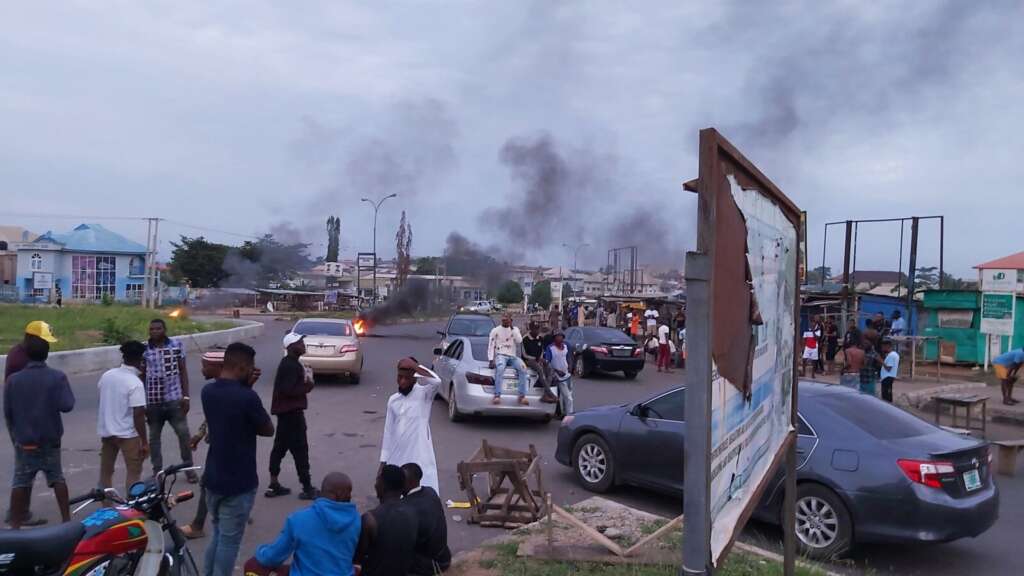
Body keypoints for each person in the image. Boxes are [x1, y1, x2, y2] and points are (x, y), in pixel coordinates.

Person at [201, 342, 274, 576]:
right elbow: (267, 429)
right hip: (239, 482)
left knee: (218, 534)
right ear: (242, 367)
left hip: (213, 477)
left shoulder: (207, 392)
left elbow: (231, 410)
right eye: (250, 367)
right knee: (229, 542)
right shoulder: (247, 398)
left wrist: (246, 387)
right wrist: (249, 389)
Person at [4, 330, 75, 529]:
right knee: (57, 478)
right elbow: (67, 405)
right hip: (50, 439)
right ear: (47, 354)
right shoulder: (57, 377)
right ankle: (66, 520)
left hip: (25, 440)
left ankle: (15, 525)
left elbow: (8, 412)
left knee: (21, 481)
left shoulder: (13, 380)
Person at [249, 472, 361, 576]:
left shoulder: (299, 519)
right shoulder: (356, 520)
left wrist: (261, 550)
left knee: (252, 565)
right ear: (346, 496)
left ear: (322, 493)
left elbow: (272, 558)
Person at [143, 318, 197, 483]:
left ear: (164, 329)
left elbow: (183, 372)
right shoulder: (144, 350)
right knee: (154, 439)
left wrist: (186, 396)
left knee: (183, 434)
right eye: (152, 329)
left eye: (158, 328)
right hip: (153, 401)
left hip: (174, 399)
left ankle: (188, 469)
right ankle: (157, 472)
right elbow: (142, 376)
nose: (155, 331)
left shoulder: (176, 345)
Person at [379, 358, 442, 494]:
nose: (402, 382)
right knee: (396, 496)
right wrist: (383, 462)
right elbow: (388, 432)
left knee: (422, 494)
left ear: (415, 378)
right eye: (399, 377)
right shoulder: (393, 400)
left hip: (419, 455)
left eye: (407, 378)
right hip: (396, 456)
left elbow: (437, 381)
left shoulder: (425, 394)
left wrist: (415, 366)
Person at [267, 333, 317, 500]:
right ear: (291, 347)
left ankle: (273, 484)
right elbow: (288, 390)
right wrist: (307, 387)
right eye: (300, 343)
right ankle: (307, 487)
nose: (303, 345)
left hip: (285, 414)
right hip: (291, 414)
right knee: (300, 449)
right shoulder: (290, 366)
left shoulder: (291, 363)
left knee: (280, 448)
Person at [97, 341, 150, 497]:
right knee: (134, 474)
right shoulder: (135, 383)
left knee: (106, 473)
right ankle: (133, 506)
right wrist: (144, 441)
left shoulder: (107, 376)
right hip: (128, 435)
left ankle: (106, 506)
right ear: (141, 360)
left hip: (107, 433)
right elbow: (139, 414)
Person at [181, 350, 224, 540]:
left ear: (218, 367)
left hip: (223, 447)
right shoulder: (220, 389)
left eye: (205, 365)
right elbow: (210, 418)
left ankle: (198, 525)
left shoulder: (218, 391)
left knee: (208, 483)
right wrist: (199, 435)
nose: (201, 369)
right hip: (224, 446)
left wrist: (201, 435)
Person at [356, 465, 418, 576]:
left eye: (377, 480)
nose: (375, 485)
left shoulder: (370, 519)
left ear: (383, 486)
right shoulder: (413, 512)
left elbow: (358, 558)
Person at [400, 463, 451, 575]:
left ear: (410, 482)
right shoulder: (430, 492)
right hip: (444, 557)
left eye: (400, 480)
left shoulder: (406, 506)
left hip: (430, 565)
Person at [487, 313, 529, 406]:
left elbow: (519, 341)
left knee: (523, 368)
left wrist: (512, 329)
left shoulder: (515, 330)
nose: (505, 321)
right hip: (501, 355)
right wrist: (491, 359)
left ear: (511, 320)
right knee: (500, 368)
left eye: (507, 319)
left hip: (512, 356)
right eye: (503, 319)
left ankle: (522, 396)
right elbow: (491, 345)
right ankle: (497, 395)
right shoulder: (495, 330)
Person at [521, 323, 557, 404]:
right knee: (540, 370)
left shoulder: (540, 338)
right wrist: (536, 359)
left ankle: (545, 395)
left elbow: (541, 350)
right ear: (530, 329)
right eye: (535, 329)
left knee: (550, 369)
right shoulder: (525, 339)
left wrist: (540, 359)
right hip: (528, 360)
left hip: (538, 359)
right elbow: (524, 354)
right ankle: (550, 394)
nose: (537, 331)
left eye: (538, 329)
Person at [544, 332, 574, 415]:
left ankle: (565, 413)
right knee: (568, 397)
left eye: (561, 337)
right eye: (557, 337)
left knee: (568, 397)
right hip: (558, 377)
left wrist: (570, 366)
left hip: (567, 375)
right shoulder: (550, 348)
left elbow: (568, 357)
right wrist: (556, 371)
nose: (559, 338)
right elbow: (547, 362)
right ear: (554, 338)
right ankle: (569, 416)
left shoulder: (565, 346)